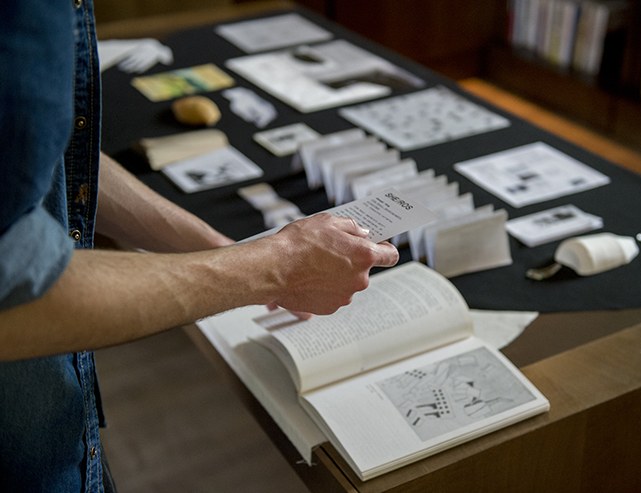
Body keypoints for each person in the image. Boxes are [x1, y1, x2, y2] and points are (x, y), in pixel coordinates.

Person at [0, 1, 399, 491]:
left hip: (52, 428)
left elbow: (54, 156)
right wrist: (275, 267)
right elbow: (16, 295)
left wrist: (214, 244)